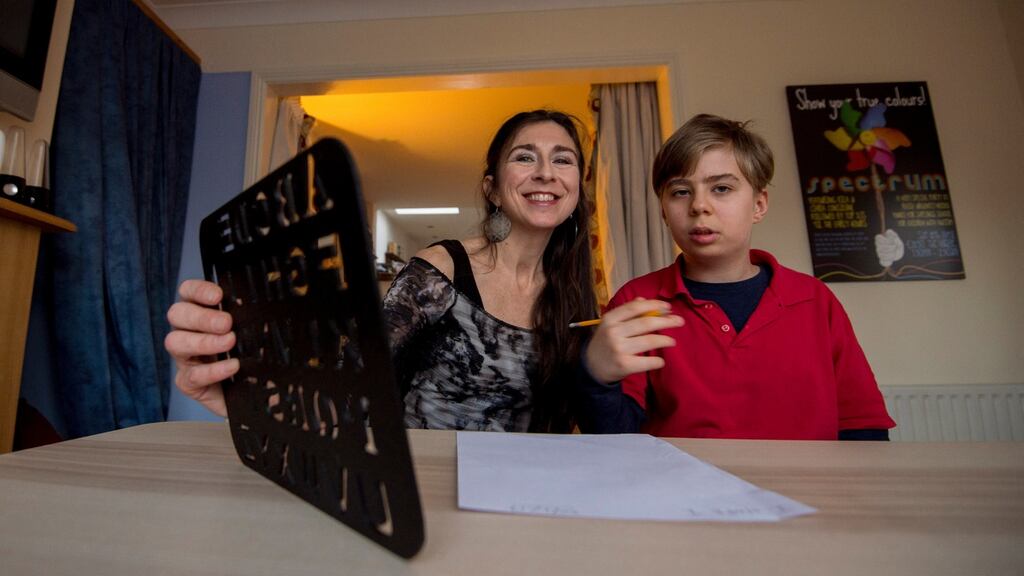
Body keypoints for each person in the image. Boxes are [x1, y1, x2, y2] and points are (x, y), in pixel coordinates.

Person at [165, 109, 598, 433]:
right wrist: (252, 398)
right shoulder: (440, 269)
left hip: (522, 498)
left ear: (577, 187)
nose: (545, 173)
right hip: (425, 490)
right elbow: (353, 377)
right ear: (493, 190)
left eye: (563, 160)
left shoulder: (575, 295)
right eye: (525, 157)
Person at [576, 113, 896, 440]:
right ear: (663, 212)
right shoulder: (637, 302)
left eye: (722, 188)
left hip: (806, 491)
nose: (699, 206)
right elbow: (617, 440)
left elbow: (863, 427)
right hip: (682, 490)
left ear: (758, 205)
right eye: (680, 192)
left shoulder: (815, 300)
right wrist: (597, 377)